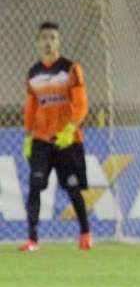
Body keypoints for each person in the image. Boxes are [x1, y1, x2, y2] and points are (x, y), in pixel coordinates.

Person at [19, 22, 91, 252]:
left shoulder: (71, 69)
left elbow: (81, 104)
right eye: (44, 38)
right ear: (37, 42)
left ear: (59, 41)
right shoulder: (33, 74)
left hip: (66, 139)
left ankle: (85, 234)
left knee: (72, 188)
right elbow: (31, 108)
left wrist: (70, 128)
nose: (48, 42)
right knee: (35, 185)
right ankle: (32, 239)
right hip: (41, 139)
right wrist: (28, 136)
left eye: (52, 37)